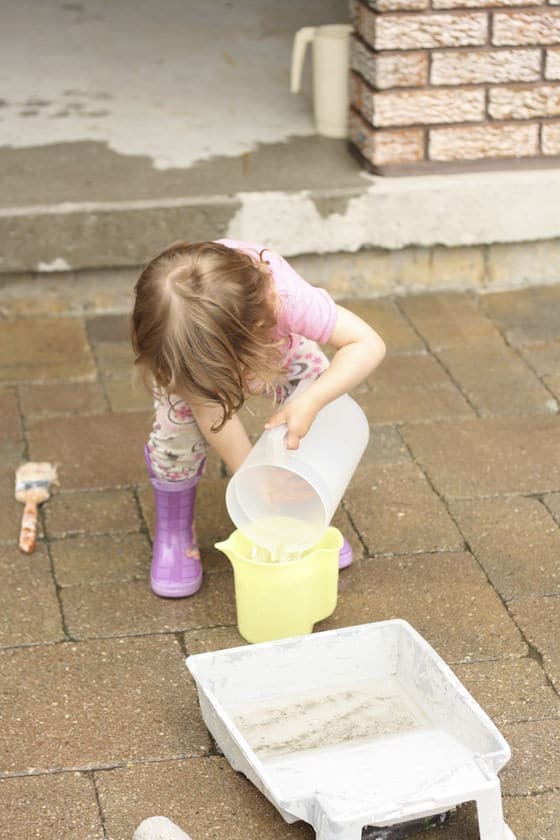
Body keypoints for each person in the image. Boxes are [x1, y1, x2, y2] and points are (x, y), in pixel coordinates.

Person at [131, 239, 386, 598]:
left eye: (233, 367)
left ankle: (299, 500)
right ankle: (174, 527)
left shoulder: (287, 303)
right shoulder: (177, 336)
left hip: (277, 347)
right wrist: (253, 480)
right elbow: (211, 410)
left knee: (315, 396)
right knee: (175, 439)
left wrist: (311, 401)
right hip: (199, 352)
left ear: (261, 325)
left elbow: (366, 343)